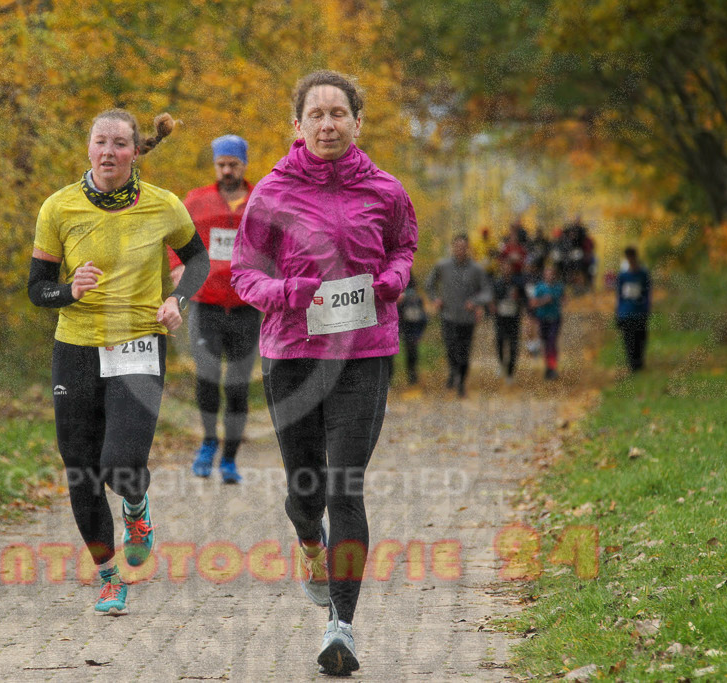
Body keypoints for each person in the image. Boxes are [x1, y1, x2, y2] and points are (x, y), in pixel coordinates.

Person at [231, 70, 417, 676]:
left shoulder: (387, 190)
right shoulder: (271, 193)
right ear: (298, 125)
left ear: (358, 122)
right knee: (305, 491)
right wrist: (287, 292)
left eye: (339, 113)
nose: (328, 123)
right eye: (317, 114)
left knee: (346, 487)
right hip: (292, 355)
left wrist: (394, 279)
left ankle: (341, 626)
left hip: (363, 354)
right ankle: (308, 539)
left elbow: (402, 248)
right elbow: (244, 273)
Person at [28, 109, 208, 616]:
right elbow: (37, 289)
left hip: (137, 343)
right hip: (77, 347)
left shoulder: (163, 206)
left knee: (121, 463)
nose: (109, 152)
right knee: (81, 470)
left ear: (135, 151)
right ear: (88, 148)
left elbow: (197, 260)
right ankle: (110, 577)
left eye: (120, 144)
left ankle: (136, 508)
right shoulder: (58, 208)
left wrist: (179, 301)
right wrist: (68, 289)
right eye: (100, 141)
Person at [170, 135, 259, 483]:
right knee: (207, 378)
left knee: (237, 386)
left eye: (233, 165)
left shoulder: (260, 201)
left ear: (244, 165)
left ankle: (230, 459)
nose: (227, 171)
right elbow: (174, 234)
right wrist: (177, 265)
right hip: (206, 305)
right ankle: (208, 442)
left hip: (246, 306)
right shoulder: (196, 200)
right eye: (221, 164)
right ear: (215, 165)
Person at [425, 234, 490, 398]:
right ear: (452, 247)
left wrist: (475, 301)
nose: (460, 250)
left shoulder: (476, 269)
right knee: (451, 348)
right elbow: (429, 285)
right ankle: (453, 372)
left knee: (464, 352)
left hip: (467, 318)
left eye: (463, 247)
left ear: (467, 248)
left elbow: (487, 292)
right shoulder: (442, 266)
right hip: (448, 316)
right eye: (457, 247)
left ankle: (461, 383)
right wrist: (435, 299)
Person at [615, 246, 651, 372]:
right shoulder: (623, 276)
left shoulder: (643, 274)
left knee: (640, 338)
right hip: (626, 312)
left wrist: (647, 308)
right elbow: (619, 295)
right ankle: (633, 364)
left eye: (632, 257)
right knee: (629, 339)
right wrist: (618, 313)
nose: (631, 259)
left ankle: (639, 362)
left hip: (640, 311)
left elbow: (647, 293)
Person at [491, 269, 527, 384]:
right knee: (500, 343)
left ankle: (510, 373)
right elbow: (491, 299)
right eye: (504, 267)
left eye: (508, 267)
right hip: (500, 319)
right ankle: (502, 364)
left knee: (513, 346)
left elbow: (525, 299)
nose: (506, 270)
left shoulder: (518, 284)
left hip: (514, 319)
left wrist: (519, 300)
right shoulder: (496, 284)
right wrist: (492, 306)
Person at [530, 263, 565, 379]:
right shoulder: (539, 287)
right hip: (543, 318)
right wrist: (543, 301)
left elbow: (564, 299)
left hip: (555, 318)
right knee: (546, 344)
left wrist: (561, 302)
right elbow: (533, 303)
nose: (550, 276)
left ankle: (552, 367)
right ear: (544, 275)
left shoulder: (559, 287)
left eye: (552, 274)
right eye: (547, 274)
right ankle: (548, 367)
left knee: (552, 341)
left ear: (555, 275)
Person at [396, 278, 428, 384]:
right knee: (388, 353)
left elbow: (422, 318)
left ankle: (412, 377)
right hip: (392, 314)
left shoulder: (414, 299)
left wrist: (405, 296)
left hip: (409, 322)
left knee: (411, 349)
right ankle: (387, 379)